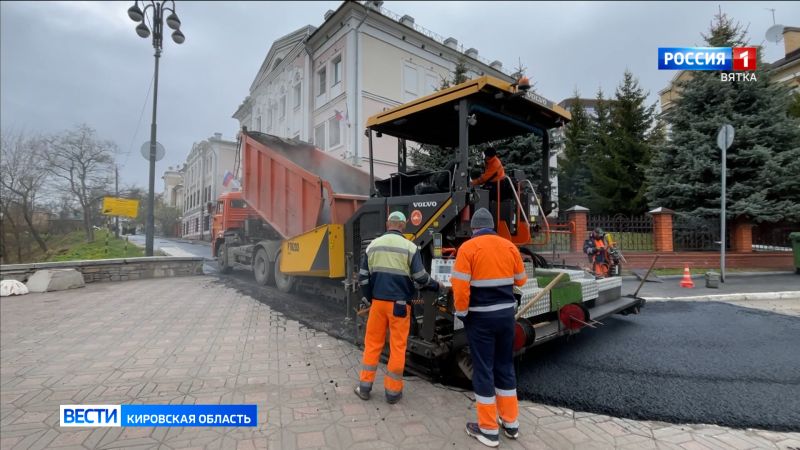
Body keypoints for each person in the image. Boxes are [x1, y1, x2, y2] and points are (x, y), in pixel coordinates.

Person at [451, 208, 527, 447]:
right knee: (504, 366)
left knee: (483, 370)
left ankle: (488, 430)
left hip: (481, 319)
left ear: (474, 228)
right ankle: (511, 424)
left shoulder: (468, 248)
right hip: (506, 317)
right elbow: (521, 280)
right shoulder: (509, 246)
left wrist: (462, 314)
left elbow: (461, 288)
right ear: (492, 226)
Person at [354, 211, 440, 404]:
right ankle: (392, 393)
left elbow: (362, 277)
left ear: (387, 224)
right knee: (397, 347)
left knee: (373, 344)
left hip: (377, 304)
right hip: (400, 306)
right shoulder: (410, 247)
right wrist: (436, 285)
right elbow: (420, 277)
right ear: (403, 226)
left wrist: (369, 298)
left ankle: (365, 387)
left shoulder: (372, 247)